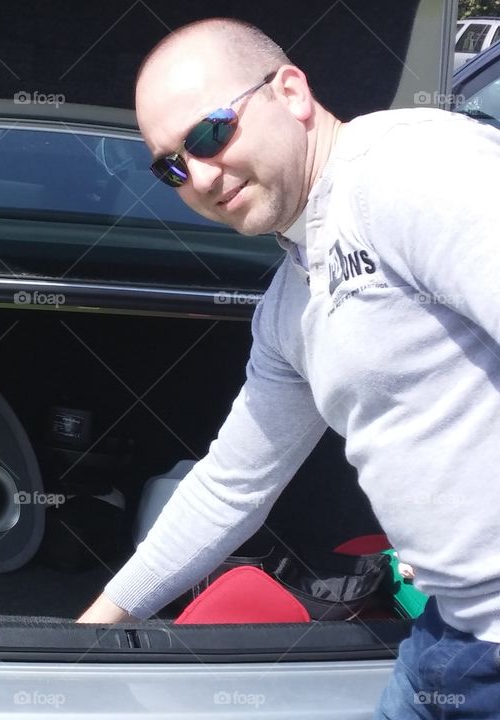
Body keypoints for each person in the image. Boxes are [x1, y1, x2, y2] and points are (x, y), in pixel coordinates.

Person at [76, 17, 500, 719]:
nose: (202, 175)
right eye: (172, 166)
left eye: (211, 133)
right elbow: (230, 487)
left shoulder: (408, 172)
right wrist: (93, 630)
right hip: (450, 638)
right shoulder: (289, 303)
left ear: (293, 92)